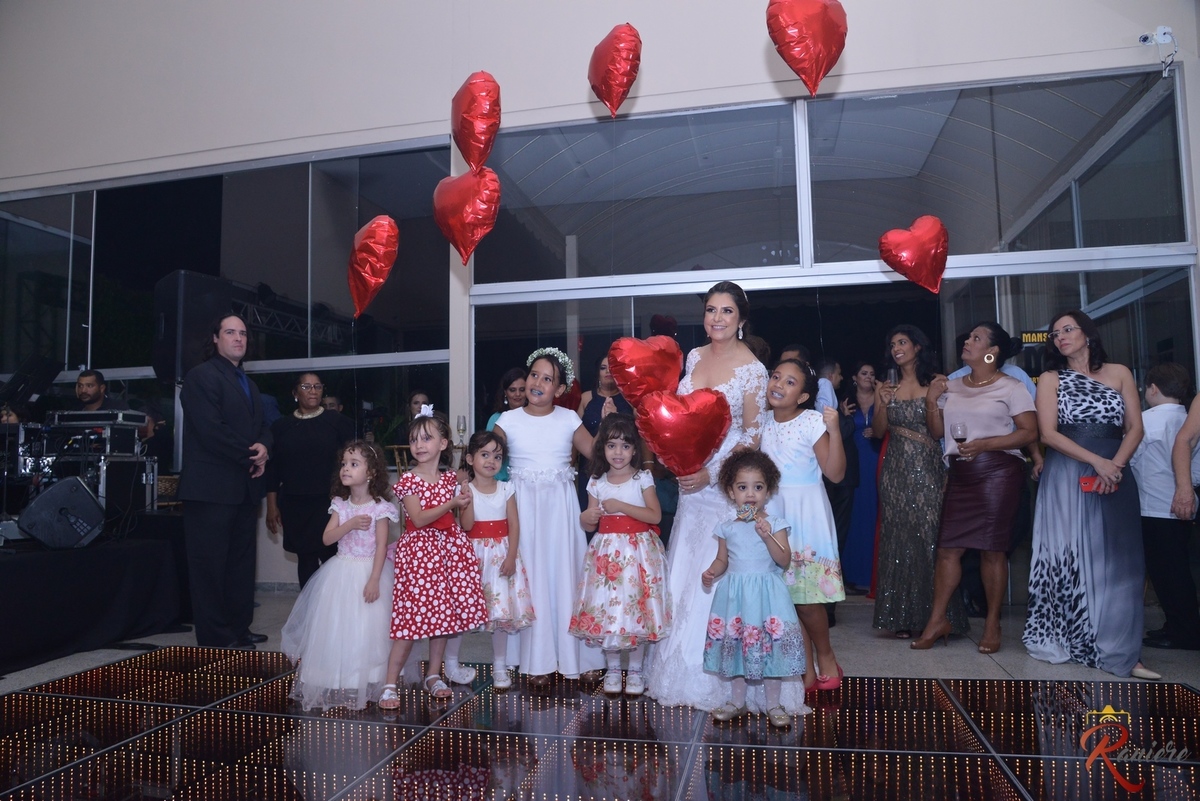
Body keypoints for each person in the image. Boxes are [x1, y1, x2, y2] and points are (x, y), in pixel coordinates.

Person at [646, 281, 794, 713]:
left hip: (724, 483)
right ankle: (679, 665)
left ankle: (730, 677)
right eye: (711, 310)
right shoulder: (693, 357)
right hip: (690, 479)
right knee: (689, 566)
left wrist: (712, 472)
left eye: (726, 311)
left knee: (724, 567)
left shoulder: (752, 369)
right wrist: (679, 459)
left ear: (741, 319)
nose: (717, 318)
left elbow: (751, 433)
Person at [1022, 310, 1158, 680]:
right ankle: (1071, 638)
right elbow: (1048, 434)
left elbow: (1135, 428)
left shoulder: (1120, 373)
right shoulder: (1050, 379)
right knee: (1070, 554)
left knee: (1121, 559)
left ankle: (1124, 652)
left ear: (1087, 333)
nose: (1061, 337)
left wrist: (1114, 464)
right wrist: (1097, 461)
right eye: (1055, 334)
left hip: (1116, 469)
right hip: (1068, 471)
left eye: (1068, 329)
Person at [912, 323, 1037, 653]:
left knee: (991, 550)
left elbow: (1028, 432)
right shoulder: (949, 385)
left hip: (998, 473)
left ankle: (993, 623)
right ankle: (937, 620)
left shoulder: (1011, 387)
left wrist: (986, 444)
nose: (967, 341)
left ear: (992, 352)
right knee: (948, 549)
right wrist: (930, 401)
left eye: (976, 338)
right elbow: (939, 432)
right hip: (960, 474)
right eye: (968, 337)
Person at [494, 348, 610, 683]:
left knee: (565, 574)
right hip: (523, 510)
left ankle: (583, 659)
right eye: (534, 375)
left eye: (548, 379)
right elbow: (487, 458)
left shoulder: (567, 419)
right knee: (532, 578)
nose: (538, 383)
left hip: (559, 509)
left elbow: (596, 456)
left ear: (560, 390)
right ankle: (537, 662)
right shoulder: (508, 421)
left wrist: (605, 427)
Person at [379, 409, 489, 706]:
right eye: (414, 439)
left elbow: (465, 525)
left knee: (443, 619)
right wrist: (452, 501)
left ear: (443, 444)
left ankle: (433, 674)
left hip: (448, 552)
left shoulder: (451, 478)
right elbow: (419, 517)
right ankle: (390, 683)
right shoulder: (408, 481)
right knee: (412, 620)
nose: (419, 444)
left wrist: (466, 500)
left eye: (427, 438)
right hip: (420, 554)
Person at [279, 440, 399, 710]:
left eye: (354, 464)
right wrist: (350, 524)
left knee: (367, 627)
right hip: (341, 570)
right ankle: (333, 676)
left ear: (370, 473)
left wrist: (374, 579)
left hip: (369, 570)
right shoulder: (340, 505)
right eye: (344, 464)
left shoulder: (380, 507)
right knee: (337, 625)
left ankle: (368, 678)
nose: (346, 468)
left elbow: (381, 546)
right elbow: (326, 538)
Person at [178, 314, 272, 649]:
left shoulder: (250, 383)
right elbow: (211, 430)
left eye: (243, 333)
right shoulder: (200, 376)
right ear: (215, 339)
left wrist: (265, 447)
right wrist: (252, 454)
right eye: (230, 332)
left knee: (241, 565)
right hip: (210, 490)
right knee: (210, 567)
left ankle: (238, 627)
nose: (238, 338)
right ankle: (215, 636)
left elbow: (263, 426)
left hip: (244, 487)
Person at [871, 324, 966, 639]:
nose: (897, 348)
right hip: (894, 472)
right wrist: (882, 403)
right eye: (893, 343)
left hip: (926, 469)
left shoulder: (936, 384)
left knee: (928, 537)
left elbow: (938, 433)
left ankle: (936, 616)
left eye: (903, 342)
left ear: (918, 347)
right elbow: (881, 431)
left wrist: (932, 400)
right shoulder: (888, 386)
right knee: (898, 539)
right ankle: (900, 616)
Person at [701, 450, 805, 728]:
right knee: (738, 647)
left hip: (767, 596)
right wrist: (712, 570)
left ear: (768, 490)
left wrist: (767, 534)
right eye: (742, 487)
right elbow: (723, 559)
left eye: (758, 487)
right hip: (736, 596)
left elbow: (783, 560)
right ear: (730, 491)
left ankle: (773, 703)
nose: (750, 494)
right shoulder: (727, 527)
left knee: (770, 649)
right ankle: (737, 701)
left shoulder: (776, 524)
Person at [761, 359, 845, 694]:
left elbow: (835, 473)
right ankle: (803, 664)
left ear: (803, 396)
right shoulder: (761, 423)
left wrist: (835, 431)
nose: (779, 384)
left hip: (806, 515)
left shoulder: (811, 421)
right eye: (776, 376)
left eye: (790, 382)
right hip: (773, 513)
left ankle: (826, 656)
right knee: (786, 598)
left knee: (807, 598)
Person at [572, 413, 669, 696]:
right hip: (606, 554)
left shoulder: (642, 478)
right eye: (612, 445)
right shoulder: (596, 481)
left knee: (635, 609)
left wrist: (621, 505)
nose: (618, 452)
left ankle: (635, 670)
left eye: (625, 446)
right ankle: (613, 668)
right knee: (610, 609)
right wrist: (587, 516)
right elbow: (588, 522)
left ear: (634, 450)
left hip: (638, 552)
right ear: (602, 448)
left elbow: (655, 514)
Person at [458, 429, 535, 689]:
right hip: (474, 558)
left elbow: (514, 523)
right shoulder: (465, 490)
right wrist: (464, 499)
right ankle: (451, 662)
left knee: (500, 615)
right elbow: (466, 526)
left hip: (501, 554)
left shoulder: (506, 488)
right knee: (463, 614)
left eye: (497, 456)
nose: (491, 461)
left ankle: (500, 665)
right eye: (485, 454)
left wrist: (512, 555)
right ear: (470, 459)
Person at [265, 372, 356, 588]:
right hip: (294, 505)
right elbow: (273, 469)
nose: (313, 391)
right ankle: (309, 613)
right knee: (305, 559)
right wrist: (271, 506)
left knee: (332, 557)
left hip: (331, 503)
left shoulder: (339, 423)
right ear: (295, 393)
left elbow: (356, 462)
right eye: (306, 387)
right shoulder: (280, 427)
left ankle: (332, 611)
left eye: (317, 386)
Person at [1133, 363, 1200, 651]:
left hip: (1153, 507)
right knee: (1179, 570)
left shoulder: (1145, 422)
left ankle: (1182, 632)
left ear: (1152, 389)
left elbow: (1129, 460)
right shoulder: (1187, 418)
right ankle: (1179, 625)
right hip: (1185, 505)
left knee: (1166, 574)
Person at [576, 354, 634, 510]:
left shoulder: (629, 398)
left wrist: (613, 417)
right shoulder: (586, 398)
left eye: (612, 367)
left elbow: (639, 434)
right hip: (590, 467)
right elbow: (575, 434)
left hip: (623, 465)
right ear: (597, 373)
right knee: (590, 514)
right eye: (603, 368)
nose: (608, 371)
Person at [842, 361, 880, 592]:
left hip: (876, 458)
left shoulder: (883, 398)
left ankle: (874, 576)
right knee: (855, 515)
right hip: (853, 462)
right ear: (855, 377)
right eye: (864, 373)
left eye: (872, 373)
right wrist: (844, 416)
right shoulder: (846, 400)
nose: (868, 377)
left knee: (876, 512)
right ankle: (852, 575)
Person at [485, 367, 526, 482]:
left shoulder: (534, 417)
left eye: (522, 389)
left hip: (529, 482)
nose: (517, 394)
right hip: (501, 482)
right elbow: (489, 453)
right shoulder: (496, 419)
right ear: (505, 393)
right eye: (512, 390)